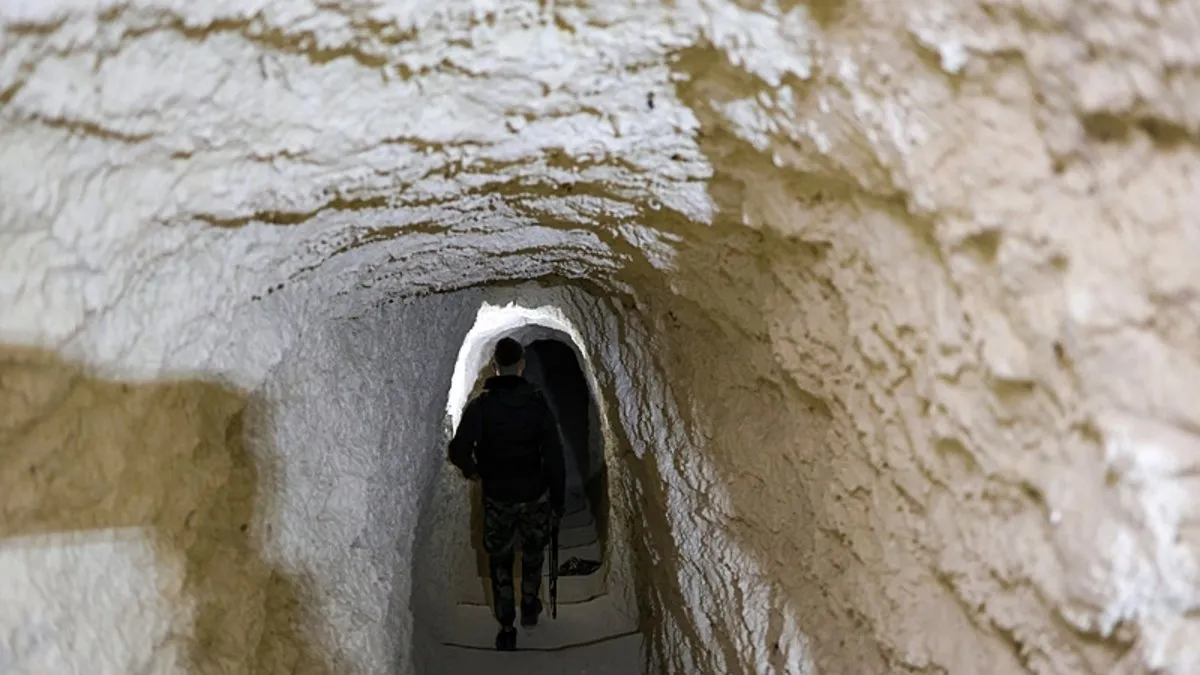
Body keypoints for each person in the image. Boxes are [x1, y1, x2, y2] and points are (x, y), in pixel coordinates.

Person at [448, 336, 566, 651]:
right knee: (533, 553)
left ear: (495, 366)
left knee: (500, 560)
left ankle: (506, 627)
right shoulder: (537, 404)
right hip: (534, 493)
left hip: (498, 495)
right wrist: (558, 499)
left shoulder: (481, 407)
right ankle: (529, 607)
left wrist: (475, 471)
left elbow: (458, 450)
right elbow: (554, 455)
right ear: (521, 365)